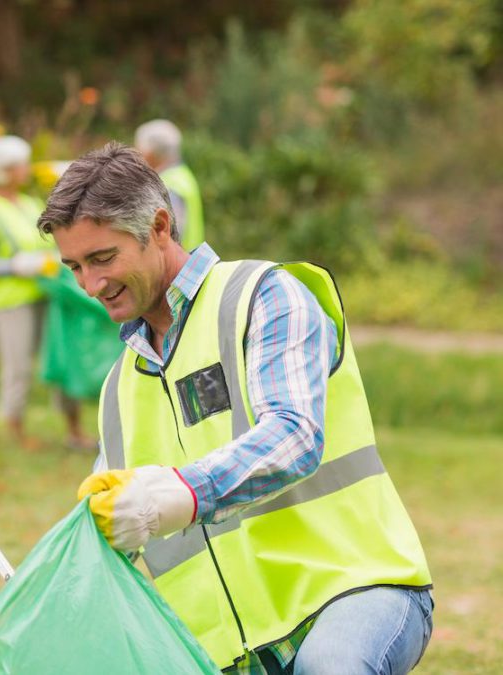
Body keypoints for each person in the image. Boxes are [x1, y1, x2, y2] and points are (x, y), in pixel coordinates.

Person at [38, 142, 433, 674]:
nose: (90, 284)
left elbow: (294, 434)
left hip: (351, 591)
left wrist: (180, 493)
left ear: (159, 227)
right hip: (230, 653)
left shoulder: (265, 296)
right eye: (75, 266)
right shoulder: (119, 389)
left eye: (103, 258)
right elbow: (111, 536)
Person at [0, 135, 91, 450]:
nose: (27, 169)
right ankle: (15, 434)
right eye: (20, 164)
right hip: (10, 303)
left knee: (65, 360)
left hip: (47, 295)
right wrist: (17, 265)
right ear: (3, 170)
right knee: (18, 368)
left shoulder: (29, 205)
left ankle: (75, 430)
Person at [135, 119, 205, 251]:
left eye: (139, 149)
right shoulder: (183, 175)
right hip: (192, 262)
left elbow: (171, 236)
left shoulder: (168, 185)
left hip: (179, 268)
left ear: (150, 153)